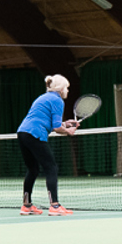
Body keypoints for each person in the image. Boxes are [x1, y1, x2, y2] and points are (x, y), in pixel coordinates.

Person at [16, 75, 79, 215]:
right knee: (51, 167)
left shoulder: (43, 97)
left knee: (32, 169)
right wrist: (68, 131)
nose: (67, 90)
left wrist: (66, 124)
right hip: (35, 134)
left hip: (22, 133)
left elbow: (48, 121)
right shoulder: (57, 100)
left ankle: (26, 206)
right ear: (61, 88)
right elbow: (56, 128)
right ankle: (55, 206)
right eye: (67, 88)